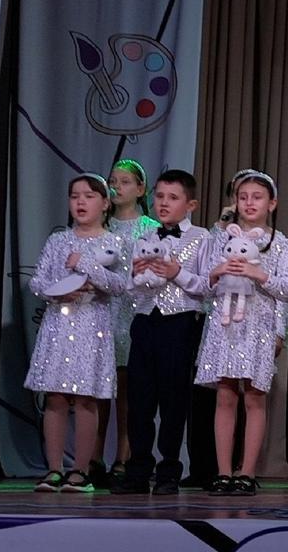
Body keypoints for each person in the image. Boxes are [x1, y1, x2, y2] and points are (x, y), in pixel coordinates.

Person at [195, 171, 288, 496]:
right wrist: (217, 271)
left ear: (272, 203)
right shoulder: (222, 238)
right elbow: (203, 286)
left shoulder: (279, 243)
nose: (249, 203)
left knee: (254, 396)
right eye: (243, 197)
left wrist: (259, 274)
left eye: (257, 197)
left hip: (259, 326)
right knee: (225, 395)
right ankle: (223, 471)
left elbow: (287, 290)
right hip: (225, 325)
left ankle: (247, 471)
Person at [27, 173, 128, 493]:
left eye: (89, 196)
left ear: (105, 203)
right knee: (55, 397)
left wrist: (87, 264)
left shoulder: (114, 242)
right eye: (75, 196)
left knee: (86, 399)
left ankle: (81, 471)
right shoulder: (58, 241)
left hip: (91, 327)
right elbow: (37, 281)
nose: (81, 202)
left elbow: (120, 285)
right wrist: (56, 292)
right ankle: (54, 469)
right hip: (58, 325)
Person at [113, 170, 212, 496]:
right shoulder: (146, 237)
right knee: (140, 400)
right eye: (159, 197)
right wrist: (136, 275)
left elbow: (207, 287)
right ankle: (138, 470)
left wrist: (177, 272)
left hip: (180, 323)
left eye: (173, 198)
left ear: (190, 204)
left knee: (173, 400)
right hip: (145, 321)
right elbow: (130, 289)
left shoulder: (201, 237)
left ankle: (169, 470)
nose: (164, 203)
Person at [94, 160, 160, 487]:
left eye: (125, 181)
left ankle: (124, 457)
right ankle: (93, 458)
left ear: (140, 189)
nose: (117, 187)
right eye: (112, 181)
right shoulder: (100, 225)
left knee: (128, 391)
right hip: (101, 312)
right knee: (97, 389)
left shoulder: (150, 228)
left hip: (134, 314)